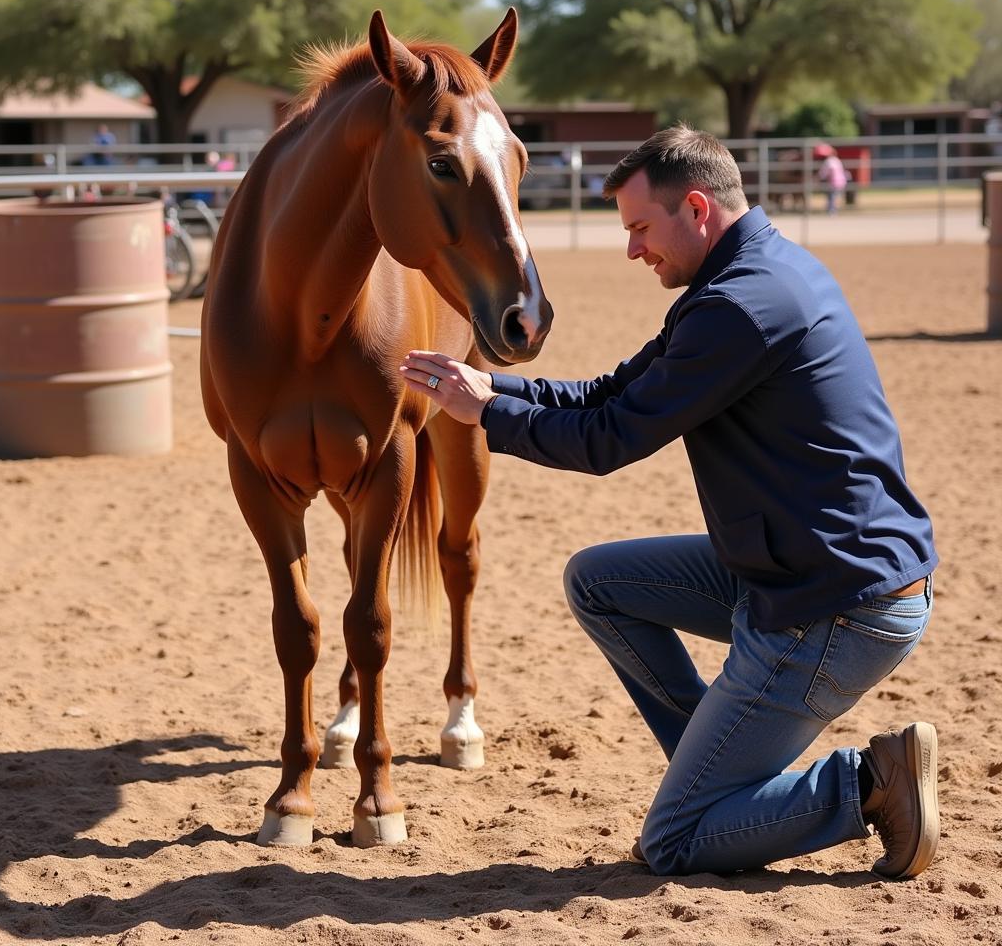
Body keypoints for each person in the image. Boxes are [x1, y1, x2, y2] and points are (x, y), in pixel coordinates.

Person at [399, 124, 939, 879]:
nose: (631, 250)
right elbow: (610, 392)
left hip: (835, 603)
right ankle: (716, 769)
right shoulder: (748, 277)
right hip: (796, 570)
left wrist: (484, 417)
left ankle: (871, 784)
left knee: (674, 844)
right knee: (599, 582)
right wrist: (492, 386)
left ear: (696, 207)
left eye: (640, 228)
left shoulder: (741, 306)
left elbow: (610, 438)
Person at [815, 144, 848, 214]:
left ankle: (831, 210)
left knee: (831, 196)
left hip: (832, 182)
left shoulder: (828, 161)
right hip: (841, 182)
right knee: (834, 196)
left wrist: (819, 178)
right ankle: (833, 209)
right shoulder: (837, 160)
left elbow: (823, 172)